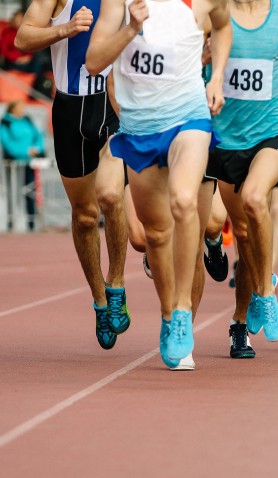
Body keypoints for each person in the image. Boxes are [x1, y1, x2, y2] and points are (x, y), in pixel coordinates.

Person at [85, 0, 232, 367]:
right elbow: (94, 61)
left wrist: (215, 78)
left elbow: (224, 25)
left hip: (189, 117)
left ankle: (182, 312)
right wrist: (130, 29)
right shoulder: (119, 5)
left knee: (184, 201)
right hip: (139, 129)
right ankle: (169, 314)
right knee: (156, 235)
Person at [15, 0, 131, 350]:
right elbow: (22, 39)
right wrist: (64, 29)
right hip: (71, 113)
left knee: (111, 196)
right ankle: (99, 300)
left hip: (113, 105)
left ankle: (116, 283)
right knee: (84, 217)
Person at [207, 0, 278, 356]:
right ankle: (240, 320)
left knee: (256, 199)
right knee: (242, 235)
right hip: (227, 137)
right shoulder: (216, 15)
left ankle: (265, 296)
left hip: (275, 131)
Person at [0, 100, 45, 232]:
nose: (22, 109)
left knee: (30, 191)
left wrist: (36, 149)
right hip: (13, 163)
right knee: (12, 192)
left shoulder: (27, 119)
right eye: (19, 107)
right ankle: (11, 221)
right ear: (12, 108)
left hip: (29, 162)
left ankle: (31, 222)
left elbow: (38, 135)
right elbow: (7, 143)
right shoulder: (6, 123)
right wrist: (25, 151)